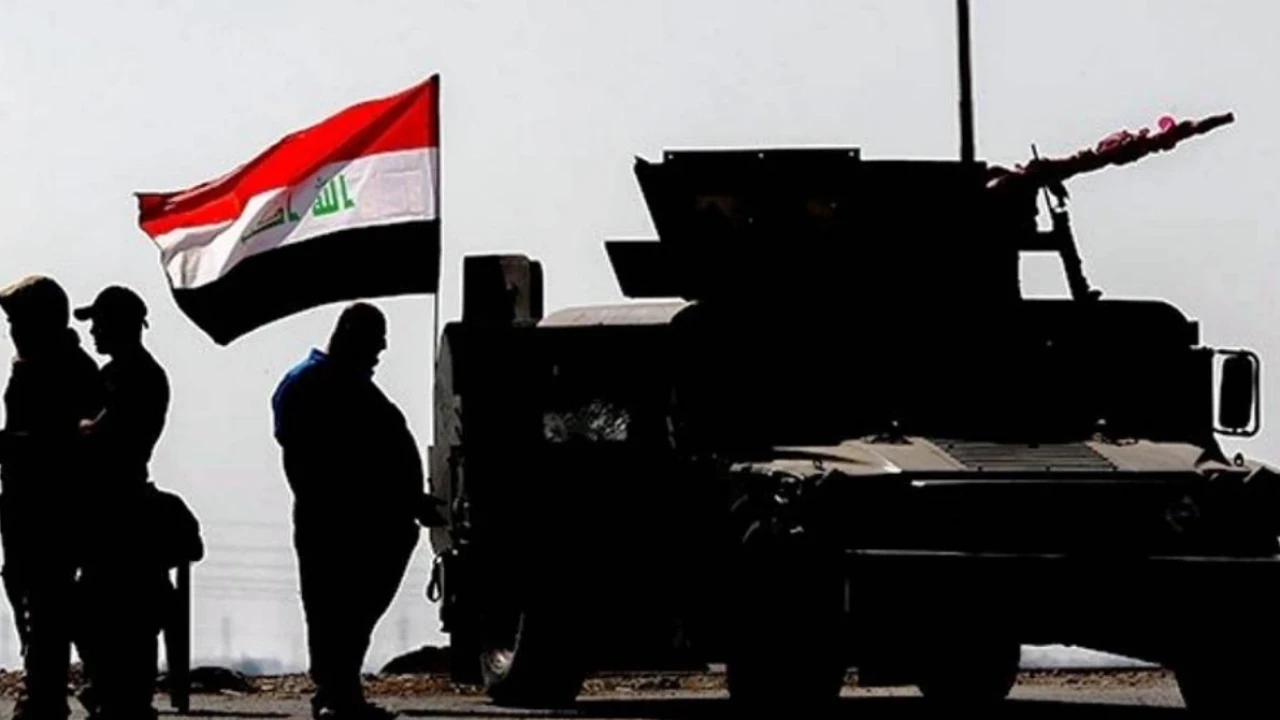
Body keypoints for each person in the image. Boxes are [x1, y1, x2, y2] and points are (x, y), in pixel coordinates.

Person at [271, 302, 444, 720]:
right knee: (337, 610)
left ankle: (339, 689)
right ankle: (337, 693)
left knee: (351, 612)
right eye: (375, 340)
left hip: (375, 521)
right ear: (350, 335)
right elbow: (323, 461)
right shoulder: (309, 384)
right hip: (339, 522)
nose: (381, 350)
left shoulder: (346, 386)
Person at [0, 275, 104, 720]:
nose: (11, 331)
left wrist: (13, 444)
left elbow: (71, 441)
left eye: (17, 321)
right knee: (29, 592)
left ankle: (47, 694)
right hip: (23, 502)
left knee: (48, 599)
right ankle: (48, 686)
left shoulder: (69, 370)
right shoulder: (32, 366)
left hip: (52, 506)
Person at [71, 285, 173, 720]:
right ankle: (114, 691)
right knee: (105, 608)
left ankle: (123, 696)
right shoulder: (121, 374)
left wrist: (77, 428)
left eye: (100, 322)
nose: (94, 331)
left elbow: (102, 435)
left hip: (120, 506)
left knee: (119, 608)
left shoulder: (137, 377)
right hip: (111, 503)